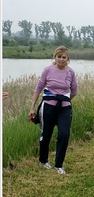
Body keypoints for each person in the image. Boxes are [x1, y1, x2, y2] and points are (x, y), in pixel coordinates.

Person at [29, 46, 78, 174]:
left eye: (64, 57)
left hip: (64, 108)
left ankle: (58, 164)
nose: (61, 60)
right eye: (59, 57)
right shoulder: (48, 70)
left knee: (64, 134)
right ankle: (43, 160)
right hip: (48, 107)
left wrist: (64, 100)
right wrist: (32, 108)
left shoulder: (71, 72)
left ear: (68, 59)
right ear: (54, 57)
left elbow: (74, 91)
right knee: (46, 134)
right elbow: (38, 88)